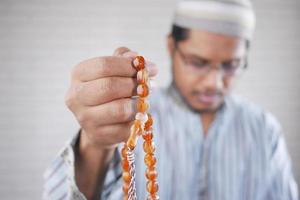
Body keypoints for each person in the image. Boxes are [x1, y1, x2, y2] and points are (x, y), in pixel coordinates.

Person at [43, 0, 299, 199]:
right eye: (198, 63)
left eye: (231, 65)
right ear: (171, 46)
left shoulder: (264, 130)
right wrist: (96, 144)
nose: (214, 82)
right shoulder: (129, 115)